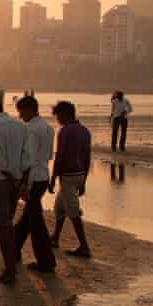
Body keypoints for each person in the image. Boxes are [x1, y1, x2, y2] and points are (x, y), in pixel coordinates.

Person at [0, 96, 30, 284]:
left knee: (3, 225)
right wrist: (22, 182)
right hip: (17, 178)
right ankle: (11, 265)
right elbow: (27, 158)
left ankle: (10, 271)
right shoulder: (21, 127)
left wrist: (15, 182)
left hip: (2, 180)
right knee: (8, 222)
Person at [13, 96, 56, 273]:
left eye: (22, 111)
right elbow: (47, 155)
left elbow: (28, 159)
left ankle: (46, 261)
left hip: (33, 178)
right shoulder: (47, 127)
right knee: (28, 217)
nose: (20, 115)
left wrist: (23, 184)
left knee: (35, 221)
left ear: (30, 109)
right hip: (43, 175)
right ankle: (14, 248)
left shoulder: (31, 129)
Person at [50, 101, 92, 259]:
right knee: (60, 207)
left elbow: (60, 157)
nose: (57, 119)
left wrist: (53, 177)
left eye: (58, 116)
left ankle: (84, 246)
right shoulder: (85, 131)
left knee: (73, 211)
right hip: (80, 174)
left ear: (64, 115)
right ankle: (55, 237)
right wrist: (84, 181)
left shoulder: (65, 131)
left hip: (68, 175)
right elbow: (87, 157)